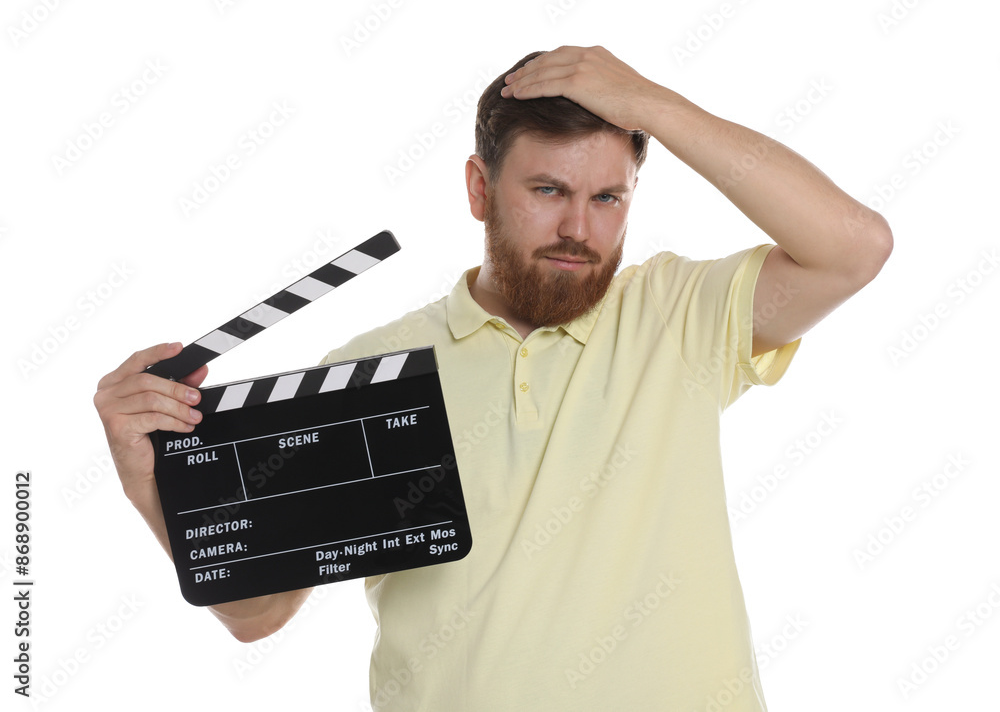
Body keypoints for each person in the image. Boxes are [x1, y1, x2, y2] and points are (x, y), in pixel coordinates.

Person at [95, 46, 892, 710]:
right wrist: (147, 485)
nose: (580, 228)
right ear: (480, 190)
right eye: (547, 190)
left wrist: (652, 103)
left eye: (608, 197)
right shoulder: (368, 376)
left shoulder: (679, 314)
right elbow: (256, 612)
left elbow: (854, 247)